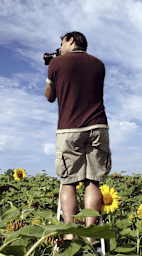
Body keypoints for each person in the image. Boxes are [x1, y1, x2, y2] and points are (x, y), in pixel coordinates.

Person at [44, 31, 111, 245]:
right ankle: (91, 237)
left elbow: (49, 96)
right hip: (98, 126)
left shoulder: (57, 64)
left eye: (61, 42)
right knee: (93, 182)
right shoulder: (99, 64)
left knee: (68, 182)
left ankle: (70, 235)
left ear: (71, 40)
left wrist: (53, 66)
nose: (60, 47)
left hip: (69, 127)